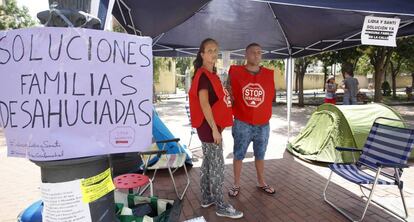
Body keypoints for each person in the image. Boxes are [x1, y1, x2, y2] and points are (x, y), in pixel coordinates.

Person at [188, 38, 243, 219]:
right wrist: (214, 129)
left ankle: (206, 197)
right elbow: (204, 105)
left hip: (208, 127)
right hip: (208, 127)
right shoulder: (203, 75)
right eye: (209, 50)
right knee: (218, 166)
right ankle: (220, 205)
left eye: (215, 50)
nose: (213, 53)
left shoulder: (212, 75)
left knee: (208, 162)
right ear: (202, 54)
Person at [227, 43, 275, 197]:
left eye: (259, 52)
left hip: (263, 124)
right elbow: (228, 94)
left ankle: (261, 182)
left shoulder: (268, 74)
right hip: (242, 122)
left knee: (260, 155)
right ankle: (236, 184)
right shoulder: (235, 72)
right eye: (253, 52)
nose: (257, 55)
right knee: (239, 154)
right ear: (246, 55)